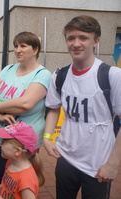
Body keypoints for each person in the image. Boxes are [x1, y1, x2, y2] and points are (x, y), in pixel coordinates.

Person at [43, 15, 121, 199]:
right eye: (71, 38)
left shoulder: (112, 76)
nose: (76, 43)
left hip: (98, 163)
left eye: (83, 38)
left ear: (96, 41)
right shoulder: (60, 75)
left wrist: (113, 163)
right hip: (65, 157)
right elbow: (54, 108)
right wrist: (47, 137)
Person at [0, 31, 52, 186]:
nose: (17, 50)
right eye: (16, 46)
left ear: (35, 50)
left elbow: (25, 103)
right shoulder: (8, 69)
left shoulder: (43, 74)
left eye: (23, 46)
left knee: (19, 184)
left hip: (23, 142)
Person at [0, 122, 45, 199]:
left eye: (4, 141)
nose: (0, 145)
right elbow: (8, 185)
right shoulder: (11, 162)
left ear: (17, 151)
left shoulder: (26, 181)